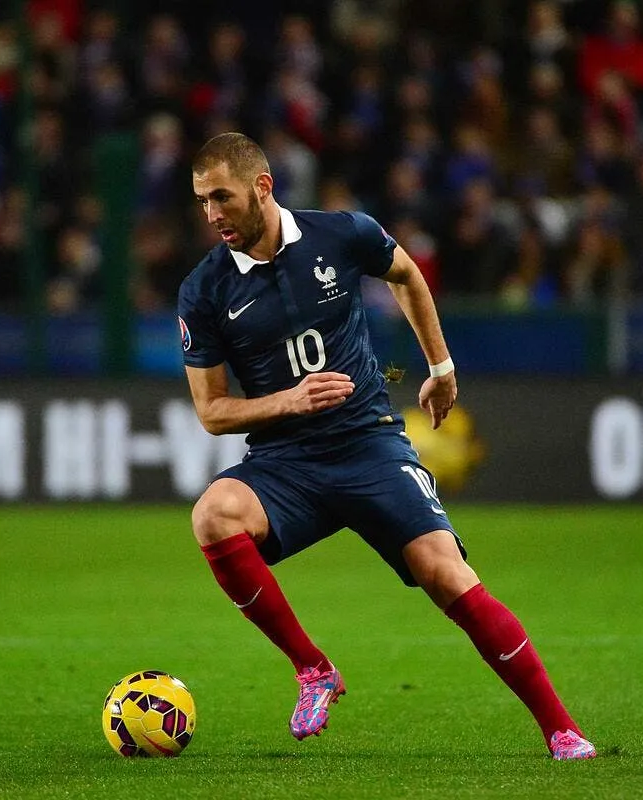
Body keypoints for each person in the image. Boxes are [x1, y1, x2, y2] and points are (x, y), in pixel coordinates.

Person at [177, 133, 595, 760]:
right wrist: (287, 401)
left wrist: (441, 364)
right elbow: (211, 412)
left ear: (263, 186)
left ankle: (561, 729)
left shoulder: (341, 234)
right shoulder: (204, 290)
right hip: (287, 464)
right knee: (213, 514)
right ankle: (313, 668)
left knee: (445, 573)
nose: (212, 214)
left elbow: (405, 273)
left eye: (222, 197)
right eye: (202, 201)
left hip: (370, 446)